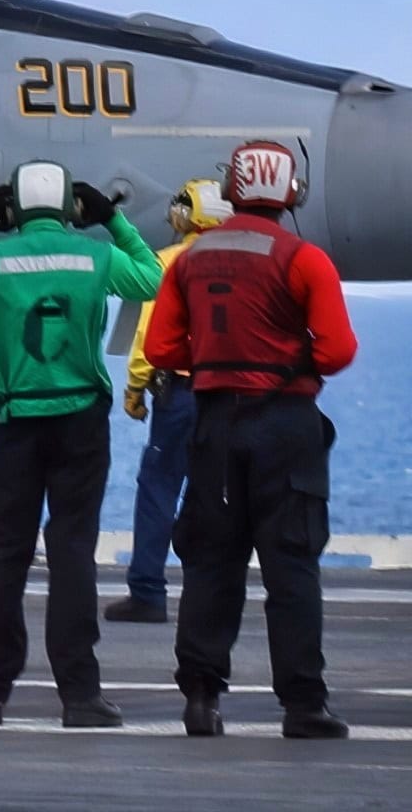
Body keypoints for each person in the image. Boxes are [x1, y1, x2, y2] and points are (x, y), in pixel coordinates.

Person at [0, 162, 162, 727]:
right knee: (72, 555)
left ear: (12, 211)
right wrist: (115, 222)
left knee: (4, 556)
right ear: (72, 208)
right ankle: (79, 695)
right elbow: (153, 280)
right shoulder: (96, 259)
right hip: (80, 424)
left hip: (14, 423)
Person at [144, 141, 358, 740]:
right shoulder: (304, 258)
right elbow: (339, 350)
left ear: (232, 190)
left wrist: (215, 361)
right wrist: (290, 362)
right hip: (285, 425)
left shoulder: (189, 259)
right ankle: (303, 706)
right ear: (292, 194)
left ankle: (202, 699)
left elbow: (161, 349)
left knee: (212, 564)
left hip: (214, 424)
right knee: (292, 566)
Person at [105, 179, 232, 625]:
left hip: (179, 391)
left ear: (186, 216)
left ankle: (147, 592)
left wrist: (135, 389)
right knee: (218, 494)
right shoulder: (244, 263)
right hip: (231, 396)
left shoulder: (169, 263)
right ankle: (213, 593)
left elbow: (148, 338)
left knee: (159, 487)